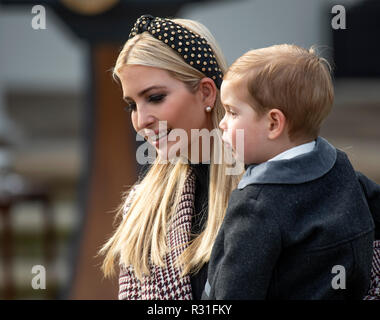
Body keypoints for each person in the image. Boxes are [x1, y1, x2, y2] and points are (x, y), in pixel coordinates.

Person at [202, 44, 380, 300]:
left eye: (232, 112)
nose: (221, 122)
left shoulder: (255, 206)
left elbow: (232, 290)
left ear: (273, 123)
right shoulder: (339, 167)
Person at [98, 15, 241, 300]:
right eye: (131, 106)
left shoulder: (263, 188)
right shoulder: (142, 206)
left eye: (154, 98)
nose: (141, 121)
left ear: (205, 93)